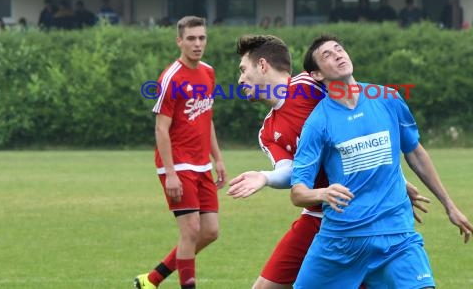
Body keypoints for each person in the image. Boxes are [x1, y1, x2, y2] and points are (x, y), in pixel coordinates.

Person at [227, 35, 430, 289]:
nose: (240, 80)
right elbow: (290, 171)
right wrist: (264, 177)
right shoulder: (268, 131)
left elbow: (364, 123)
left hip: (359, 217)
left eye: (243, 70)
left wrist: (396, 179)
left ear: (263, 66)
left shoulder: (308, 84)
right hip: (316, 214)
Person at [290, 35, 473, 288]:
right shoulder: (317, 122)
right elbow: (297, 193)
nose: (338, 55)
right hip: (341, 242)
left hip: (396, 237)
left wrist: (450, 205)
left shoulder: (387, 99)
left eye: (339, 49)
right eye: (327, 55)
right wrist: (323, 192)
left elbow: (416, 153)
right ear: (317, 75)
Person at [134, 16, 227, 289]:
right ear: (179, 41)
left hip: (201, 165)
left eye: (201, 38)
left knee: (210, 231)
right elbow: (161, 129)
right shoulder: (171, 77)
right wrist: (170, 173)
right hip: (177, 166)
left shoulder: (208, 72)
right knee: (191, 230)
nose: (197, 44)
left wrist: (218, 159)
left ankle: (151, 280)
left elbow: (206, 119)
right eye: (191, 39)